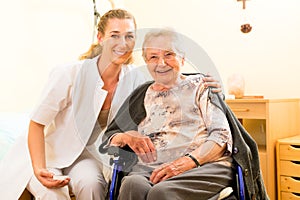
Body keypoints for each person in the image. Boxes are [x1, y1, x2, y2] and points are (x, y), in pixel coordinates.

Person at [0, 9, 221, 200]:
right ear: (100, 37)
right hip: (46, 154)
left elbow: (167, 78)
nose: (122, 44)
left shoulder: (135, 79)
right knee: (53, 195)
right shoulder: (69, 73)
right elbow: (36, 123)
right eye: (114, 35)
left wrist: (203, 80)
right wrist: (39, 168)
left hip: (85, 157)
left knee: (93, 186)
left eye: (129, 37)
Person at [99, 28, 234, 200]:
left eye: (169, 54)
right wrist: (127, 137)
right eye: (153, 57)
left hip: (203, 167)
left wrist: (187, 162)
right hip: (152, 169)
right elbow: (110, 136)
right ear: (146, 61)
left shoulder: (202, 86)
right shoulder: (141, 93)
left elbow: (221, 136)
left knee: (161, 193)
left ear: (183, 58)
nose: (161, 63)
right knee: (131, 184)